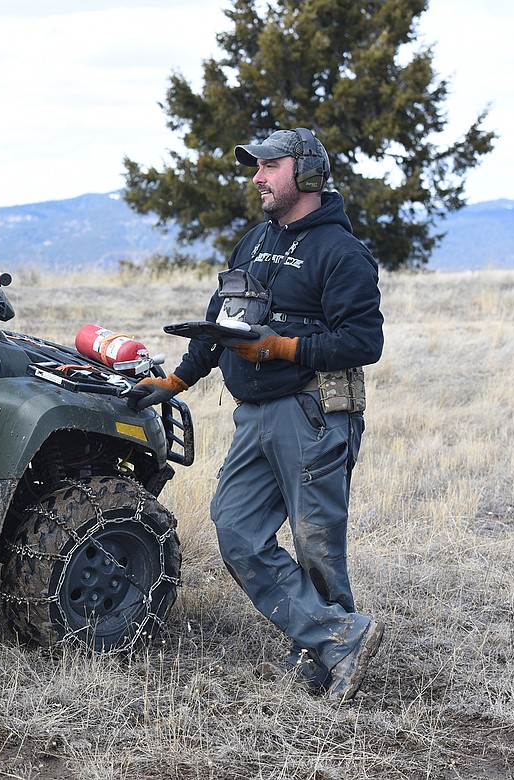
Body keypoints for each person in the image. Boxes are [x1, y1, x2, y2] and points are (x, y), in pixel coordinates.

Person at [132, 128, 385, 700]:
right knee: (238, 530)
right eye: (257, 165)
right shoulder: (251, 242)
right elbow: (221, 322)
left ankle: (326, 658)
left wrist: (282, 348)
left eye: (271, 164)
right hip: (255, 416)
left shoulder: (341, 252)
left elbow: (364, 341)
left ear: (308, 172)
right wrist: (176, 380)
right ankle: (337, 637)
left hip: (314, 413)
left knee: (316, 541)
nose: (258, 176)